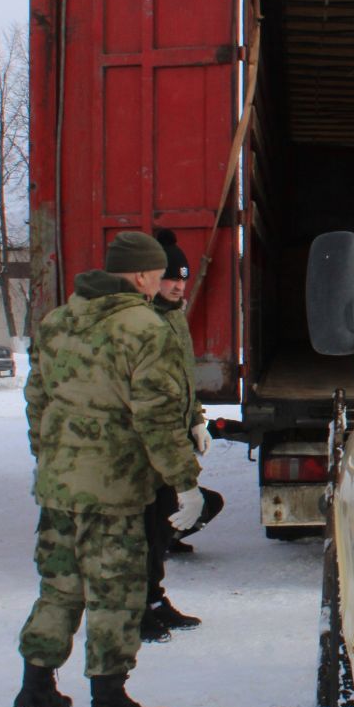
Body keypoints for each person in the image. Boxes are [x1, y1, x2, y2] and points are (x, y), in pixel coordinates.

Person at [12, 231, 204, 707]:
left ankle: (36, 688)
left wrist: (51, 459)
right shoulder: (145, 328)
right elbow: (157, 418)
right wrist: (184, 481)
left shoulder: (57, 322)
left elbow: (37, 403)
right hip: (115, 487)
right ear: (142, 276)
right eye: (158, 273)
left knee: (59, 585)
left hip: (59, 484)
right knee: (116, 590)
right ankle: (109, 701)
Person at [139, 230, 224, 643]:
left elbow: (182, 379)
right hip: (146, 447)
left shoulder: (172, 315)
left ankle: (153, 599)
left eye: (183, 278)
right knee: (142, 530)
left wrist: (195, 419)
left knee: (158, 526)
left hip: (170, 438)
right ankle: (137, 610)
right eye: (171, 277)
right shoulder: (142, 322)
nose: (177, 285)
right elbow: (151, 396)